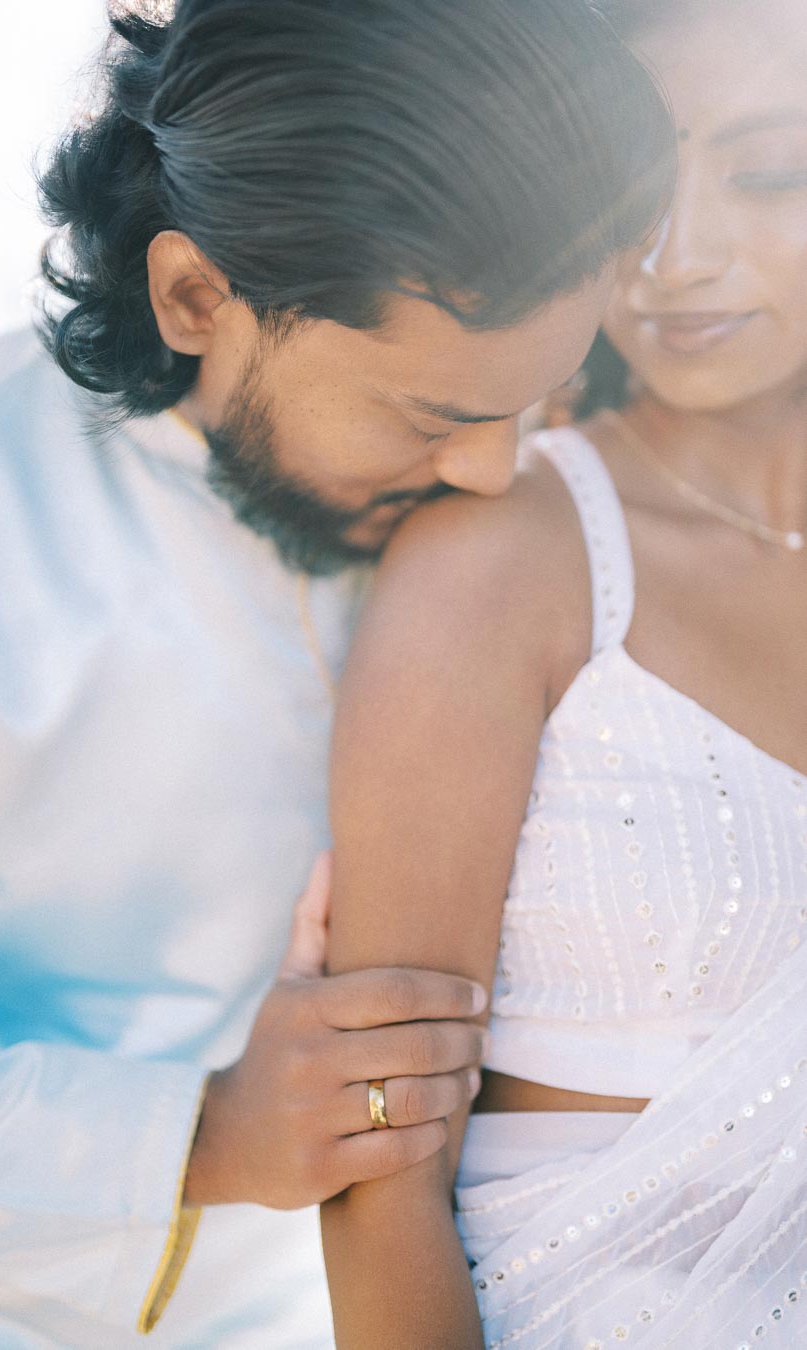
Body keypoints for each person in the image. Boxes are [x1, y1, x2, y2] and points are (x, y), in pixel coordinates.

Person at [0, 1, 674, 1346]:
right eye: (435, 416)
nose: (495, 473)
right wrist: (205, 1136)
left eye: (534, 401)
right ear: (196, 297)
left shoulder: (553, 495)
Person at [319, 0, 807, 1345]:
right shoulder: (500, 554)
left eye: (768, 173)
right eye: (630, 193)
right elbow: (379, 1156)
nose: (676, 259)